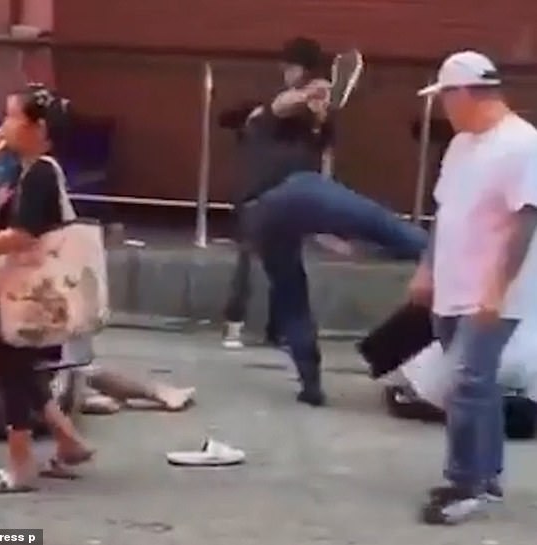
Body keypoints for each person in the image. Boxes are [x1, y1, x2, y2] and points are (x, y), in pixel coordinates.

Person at [241, 40, 427, 406]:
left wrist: (330, 232)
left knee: (290, 293)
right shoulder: (263, 115)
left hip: (260, 217)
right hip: (292, 194)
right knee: (383, 225)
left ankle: (310, 384)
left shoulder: (314, 133)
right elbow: (280, 105)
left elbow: (321, 177)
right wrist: (310, 92)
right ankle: (441, 253)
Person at [408, 50, 537, 525]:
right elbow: (445, 212)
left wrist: (497, 289)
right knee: (475, 388)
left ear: (464, 93)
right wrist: (427, 267)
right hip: (452, 286)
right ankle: (489, 476)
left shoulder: (523, 145)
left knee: (468, 385)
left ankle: (466, 484)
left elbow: (526, 221)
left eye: (445, 96)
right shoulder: (462, 145)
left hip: (496, 292)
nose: (443, 105)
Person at [0, 87, 94, 492]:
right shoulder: (26, 169)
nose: (3, 125)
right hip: (16, 289)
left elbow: (22, 234)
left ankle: (21, 464)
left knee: (11, 370)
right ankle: (67, 440)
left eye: (12, 117)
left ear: (38, 127)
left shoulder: (42, 172)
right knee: (17, 366)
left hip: (28, 289)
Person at [220, 37, 334, 350]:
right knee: (248, 256)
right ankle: (234, 324)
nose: (288, 72)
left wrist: (320, 113)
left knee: (286, 261)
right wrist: (308, 94)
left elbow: (323, 146)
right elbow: (280, 106)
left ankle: (278, 330)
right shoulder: (272, 106)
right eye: (286, 67)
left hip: (292, 194)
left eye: (294, 67)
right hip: (257, 191)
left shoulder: (316, 117)